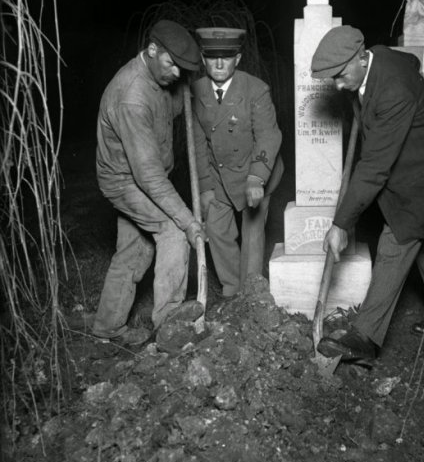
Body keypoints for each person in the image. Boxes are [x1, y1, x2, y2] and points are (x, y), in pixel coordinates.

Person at [311, 25, 424, 365]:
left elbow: (374, 168)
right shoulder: (379, 58)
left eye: (340, 76)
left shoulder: (393, 90)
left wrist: (341, 223)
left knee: (395, 244)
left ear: (361, 59)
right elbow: (410, 61)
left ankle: (365, 338)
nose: (338, 86)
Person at [92, 19, 206, 347]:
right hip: (125, 181)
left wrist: (183, 85)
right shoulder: (132, 95)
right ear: (152, 50)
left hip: (143, 176)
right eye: (172, 64)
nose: (176, 73)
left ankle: (107, 330)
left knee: (135, 248)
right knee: (173, 232)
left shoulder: (159, 77)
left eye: (182, 69)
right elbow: (148, 176)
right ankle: (169, 324)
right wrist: (189, 221)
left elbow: (169, 108)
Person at [192, 27, 284, 299]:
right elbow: (197, 142)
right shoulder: (196, 92)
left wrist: (257, 178)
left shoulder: (256, 89)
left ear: (238, 58)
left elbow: (268, 136)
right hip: (218, 173)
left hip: (255, 170)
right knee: (217, 229)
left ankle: (251, 294)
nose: (219, 64)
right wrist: (205, 187)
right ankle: (233, 291)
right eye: (212, 57)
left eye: (227, 57)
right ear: (203, 59)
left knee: (253, 234)